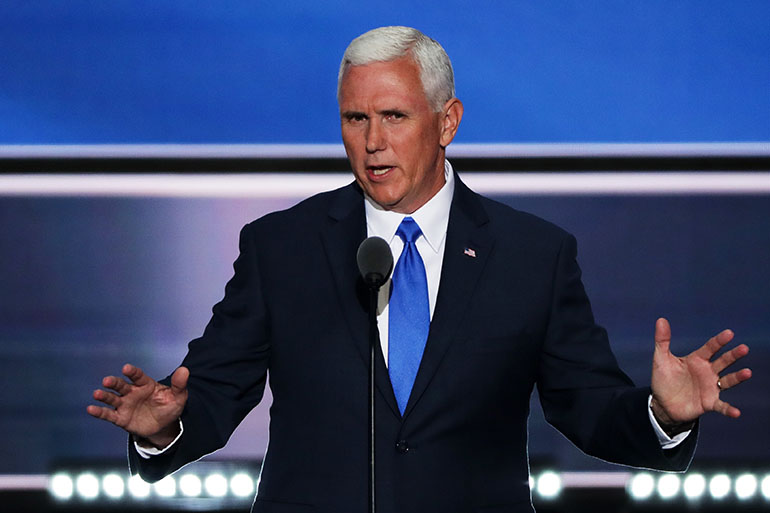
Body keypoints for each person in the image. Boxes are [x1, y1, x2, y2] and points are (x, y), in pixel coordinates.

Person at [88, 26, 752, 513]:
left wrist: (663, 415)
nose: (372, 141)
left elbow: (588, 408)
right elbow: (211, 392)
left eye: (394, 117)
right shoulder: (281, 247)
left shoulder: (531, 255)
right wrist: (166, 427)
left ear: (447, 122)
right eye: (355, 118)